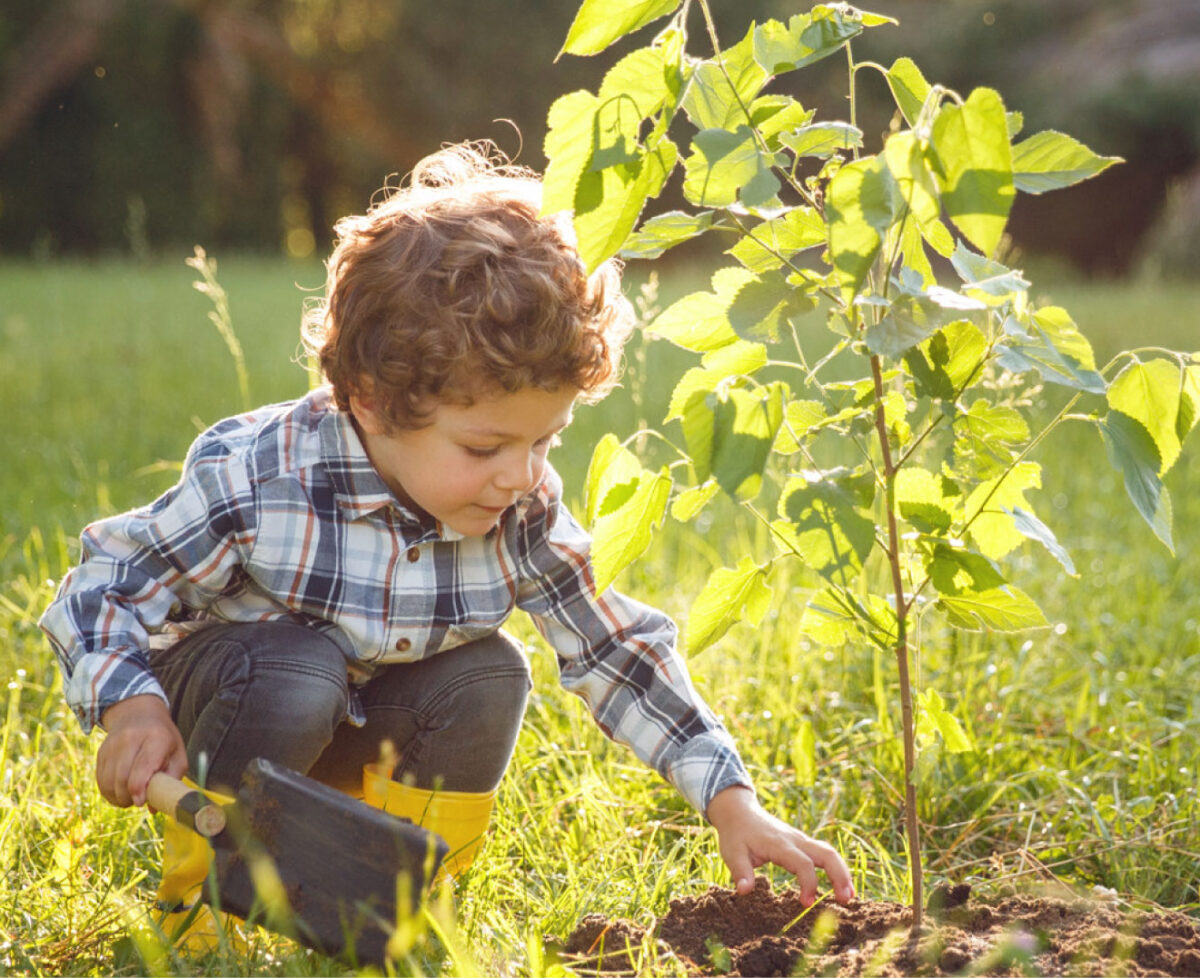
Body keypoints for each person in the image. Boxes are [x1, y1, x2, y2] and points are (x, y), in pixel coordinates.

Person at [39, 142, 854, 944]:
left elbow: (617, 650)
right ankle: (209, 909)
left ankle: (391, 907)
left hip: (361, 732)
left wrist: (731, 801)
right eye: (484, 448)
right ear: (370, 398)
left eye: (546, 442)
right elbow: (107, 579)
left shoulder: (522, 512)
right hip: (237, 712)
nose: (522, 477)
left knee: (488, 673)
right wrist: (132, 706)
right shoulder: (264, 481)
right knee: (298, 670)